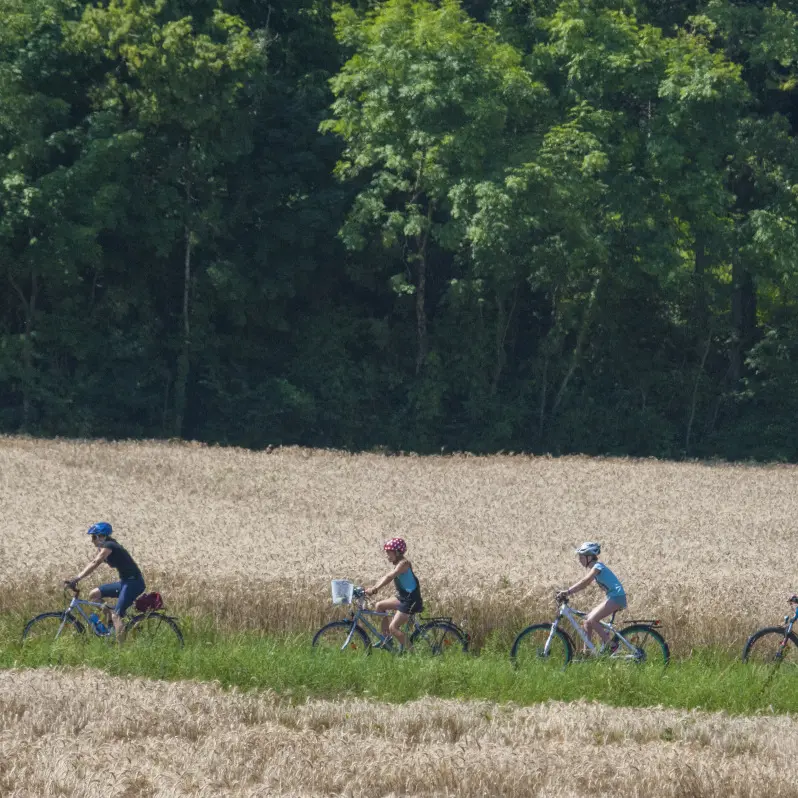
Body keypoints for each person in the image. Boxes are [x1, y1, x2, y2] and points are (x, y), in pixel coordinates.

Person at [65, 522, 145, 642]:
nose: (92, 541)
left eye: (93, 537)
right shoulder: (106, 547)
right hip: (125, 582)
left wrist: (77, 578)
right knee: (94, 595)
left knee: (117, 615)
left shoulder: (109, 546)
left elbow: (95, 563)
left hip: (134, 583)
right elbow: (93, 562)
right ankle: (112, 626)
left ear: (102, 536)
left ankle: (121, 652)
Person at [555, 541, 626, 652]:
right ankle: (587, 652)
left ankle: (612, 645)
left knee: (593, 619)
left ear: (589, 557)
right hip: (613, 597)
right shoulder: (597, 567)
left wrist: (568, 592)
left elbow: (585, 581)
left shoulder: (597, 567)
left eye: (581, 557)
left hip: (617, 597)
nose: (579, 560)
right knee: (587, 621)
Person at [365, 537, 423, 650]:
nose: (387, 555)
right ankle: (387, 640)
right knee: (380, 606)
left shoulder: (404, 564)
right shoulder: (398, 564)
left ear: (397, 552)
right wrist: (372, 587)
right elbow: (385, 576)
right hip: (403, 597)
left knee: (394, 628)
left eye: (389, 552)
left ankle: (412, 653)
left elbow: (390, 576)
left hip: (411, 600)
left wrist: (375, 589)